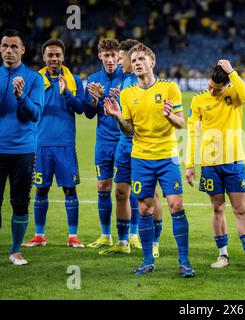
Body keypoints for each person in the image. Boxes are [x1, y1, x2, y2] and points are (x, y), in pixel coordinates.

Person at [104, 43, 194, 277]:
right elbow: (127, 130)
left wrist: (170, 116)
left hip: (167, 156)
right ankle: (146, 261)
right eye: (133, 60)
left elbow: (182, 123)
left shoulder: (169, 88)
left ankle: (184, 260)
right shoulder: (127, 93)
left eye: (141, 59)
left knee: (176, 205)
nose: (136, 63)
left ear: (152, 63)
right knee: (144, 209)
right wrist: (116, 117)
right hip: (141, 158)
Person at [185, 60, 245, 272]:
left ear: (227, 85)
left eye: (217, 88)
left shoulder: (235, 95)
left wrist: (232, 72)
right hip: (210, 164)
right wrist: (189, 164)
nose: (212, 90)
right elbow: (192, 132)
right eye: (210, 85)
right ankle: (223, 255)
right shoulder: (199, 100)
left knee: (240, 209)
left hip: (234, 162)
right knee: (217, 208)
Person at [98, 39, 164, 256]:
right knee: (120, 193)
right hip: (123, 145)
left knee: (150, 195)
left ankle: (154, 242)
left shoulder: (142, 83)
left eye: (121, 57)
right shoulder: (125, 83)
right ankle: (124, 241)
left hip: (143, 146)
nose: (118, 60)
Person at [23, 39, 86, 249]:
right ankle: (39, 236)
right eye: (50, 55)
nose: (54, 59)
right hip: (40, 145)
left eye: (58, 55)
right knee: (41, 190)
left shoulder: (73, 79)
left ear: (63, 56)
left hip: (65, 145)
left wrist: (66, 92)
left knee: (70, 189)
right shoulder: (35, 80)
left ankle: (73, 236)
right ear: (44, 57)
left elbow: (81, 109)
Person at [0, 29, 44, 265]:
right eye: (5, 46)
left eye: (14, 47)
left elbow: (35, 114)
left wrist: (20, 96)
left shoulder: (34, 79)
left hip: (23, 151)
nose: (9, 51)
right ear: (0, 49)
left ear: (23, 50)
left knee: (19, 202)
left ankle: (16, 251)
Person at [84, 39, 125, 249]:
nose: (110, 59)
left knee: (124, 189)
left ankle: (131, 236)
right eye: (106, 55)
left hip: (124, 141)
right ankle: (106, 235)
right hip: (103, 142)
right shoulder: (93, 79)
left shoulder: (127, 77)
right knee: (102, 186)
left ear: (119, 56)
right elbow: (89, 114)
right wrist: (95, 100)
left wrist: (116, 98)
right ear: (100, 56)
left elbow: (132, 110)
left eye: (113, 55)